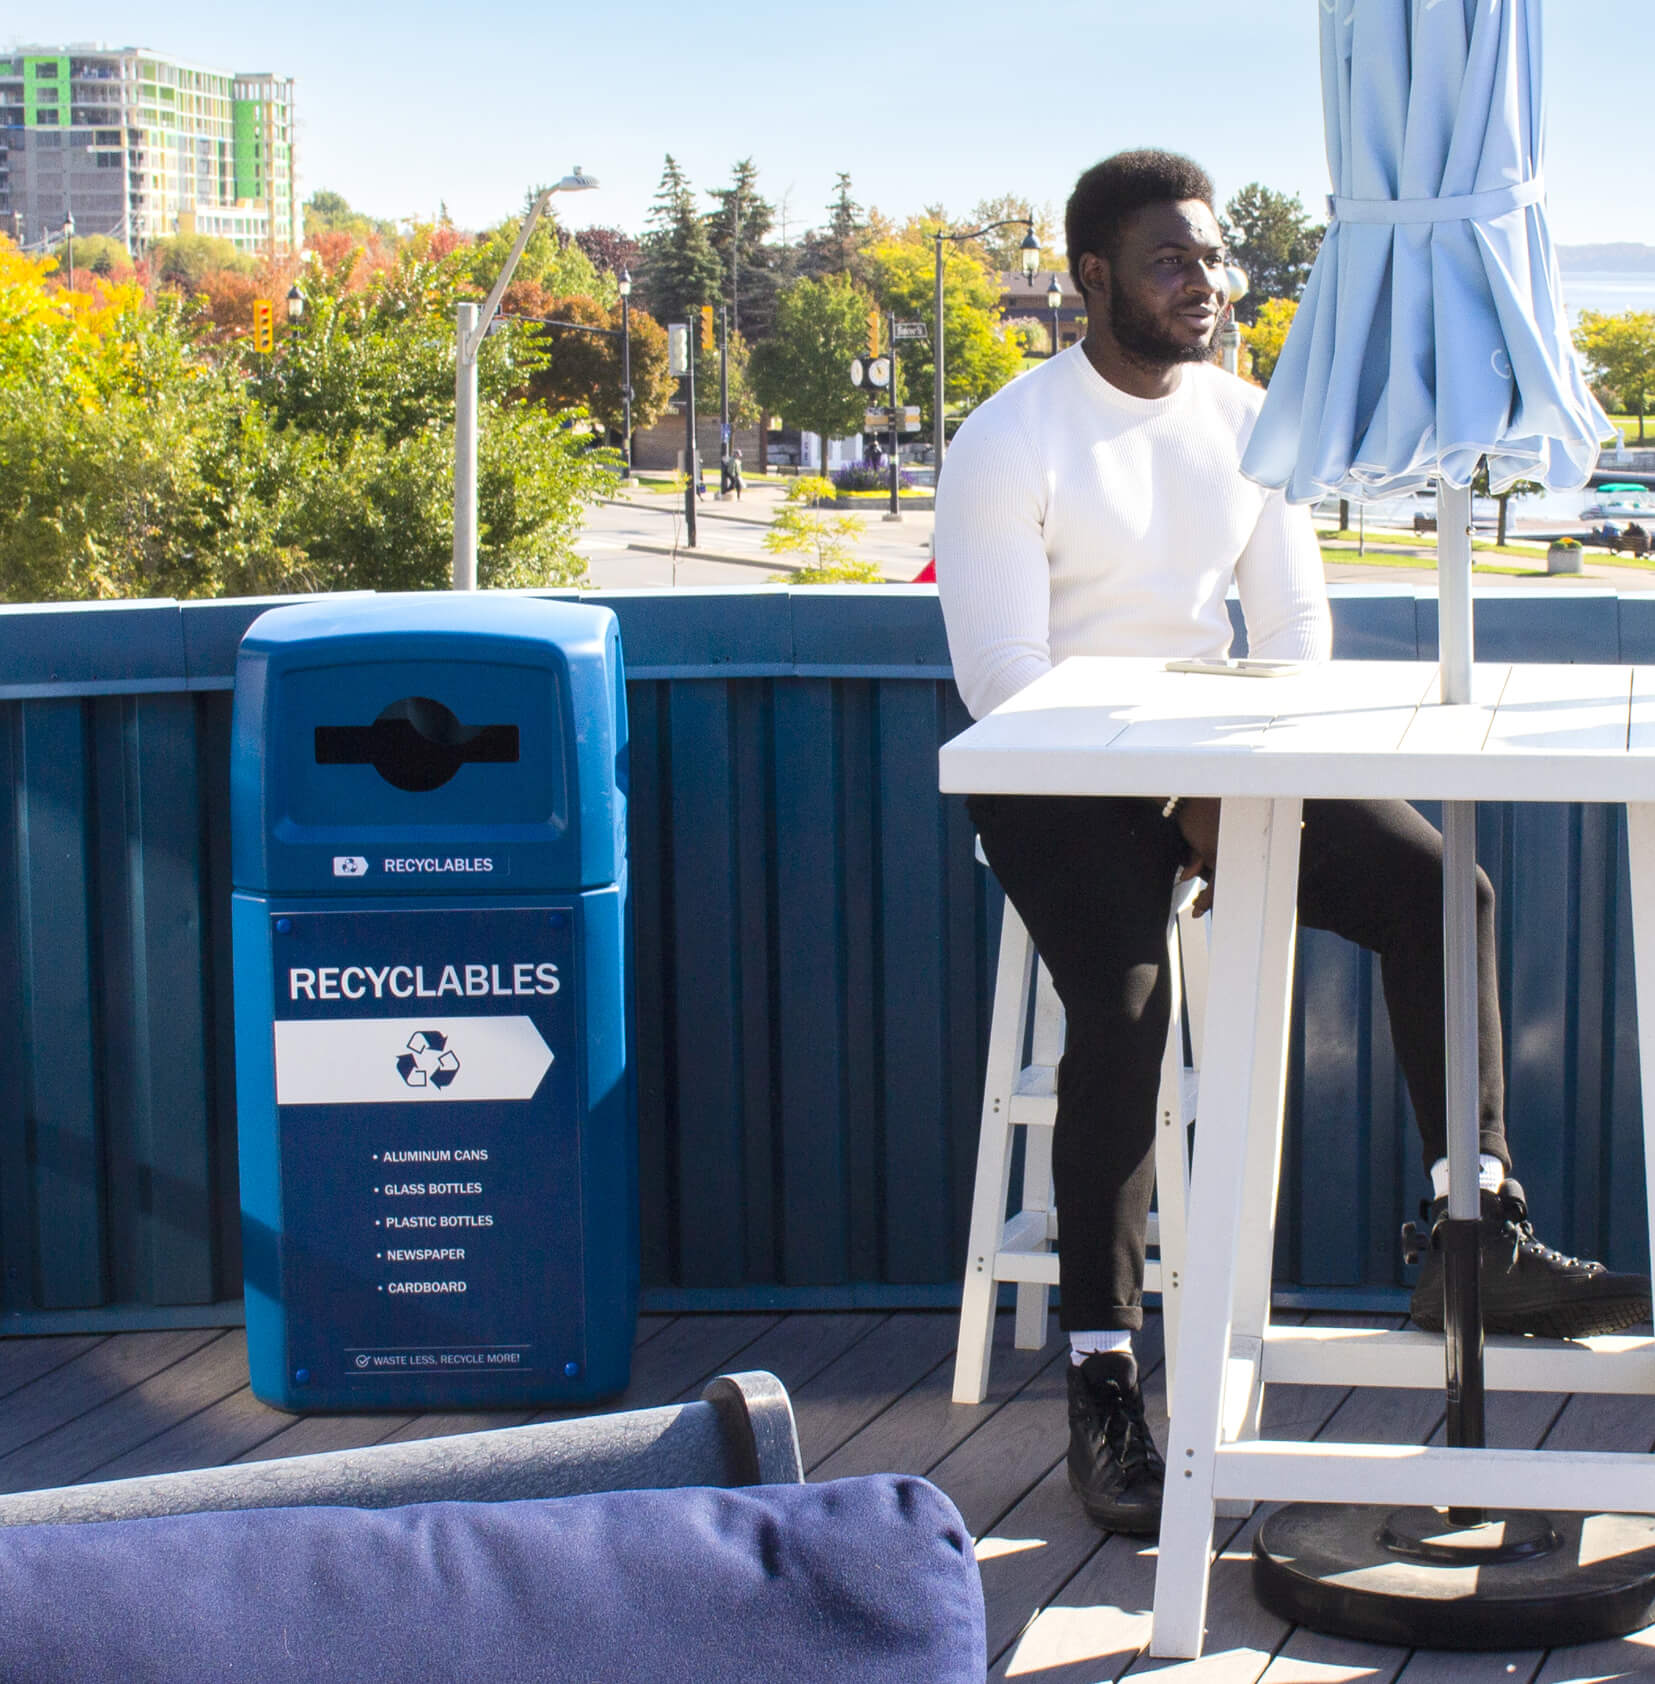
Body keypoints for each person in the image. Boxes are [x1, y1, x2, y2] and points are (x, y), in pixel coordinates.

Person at [934, 149, 1651, 1540]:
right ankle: (1105, 1388)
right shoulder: (1010, 439)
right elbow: (1004, 686)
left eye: (1214, 259)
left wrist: (1237, 774)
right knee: (1129, 1012)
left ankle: (1475, 1231)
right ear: (1091, 279)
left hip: (1214, 761)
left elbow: (1299, 635)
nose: (1206, 284)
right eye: (1170, 262)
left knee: (1447, 888)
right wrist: (1181, 786)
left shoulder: (1250, 423)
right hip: (1053, 782)